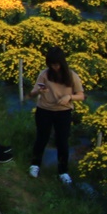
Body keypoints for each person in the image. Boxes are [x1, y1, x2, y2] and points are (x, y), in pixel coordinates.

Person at [28, 46, 85, 184]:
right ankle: (35, 165)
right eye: (52, 65)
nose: (55, 67)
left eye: (57, 64)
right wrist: (39, 91)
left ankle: (63, 171)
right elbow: (34, 91)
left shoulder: (72, 76)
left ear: (62, 63)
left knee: (62, 141)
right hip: (44, 110)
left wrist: (69, 97)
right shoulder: (45, 74)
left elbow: (81, 95)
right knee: (42, 137)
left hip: (63, 112)